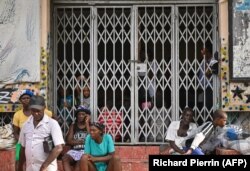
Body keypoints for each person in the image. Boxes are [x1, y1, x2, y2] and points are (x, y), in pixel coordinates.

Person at [18, 95, 65, 171]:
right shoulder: (26, 125)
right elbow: (23, 147)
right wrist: (19, 167)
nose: (36, 113)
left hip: (47, 168)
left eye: (38, 111)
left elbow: (58, 148)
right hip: (30, 168)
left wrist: (44, 166)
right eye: (33, 110)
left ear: (44, 107)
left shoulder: (52, 124)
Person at [12, 89, 53, 171]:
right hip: (23, 142)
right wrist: (22, 141)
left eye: (28, 98)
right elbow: (15, 132)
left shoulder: (43, 111)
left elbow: (54, 121)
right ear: (20, 100)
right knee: (18, 160)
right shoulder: (17, 115)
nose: (26, 100)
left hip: (41, 141)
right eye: (23, 98)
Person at [62, 106, 91, 171]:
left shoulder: (91, 126)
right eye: (79, 114)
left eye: (83, 114)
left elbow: (91, 139)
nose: (80, 116)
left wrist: (87, 124)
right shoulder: (73, 126)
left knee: (79, 162)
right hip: (74, 150)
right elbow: (69, 141)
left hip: (85, 151)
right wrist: (81, 142)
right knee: (65, 158)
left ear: (87, 116)